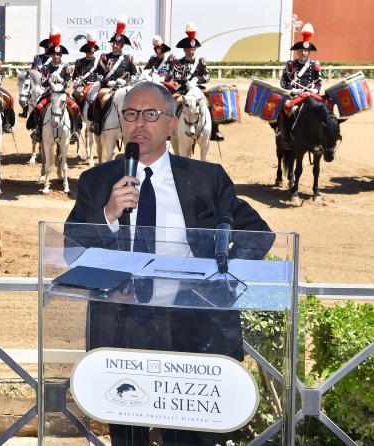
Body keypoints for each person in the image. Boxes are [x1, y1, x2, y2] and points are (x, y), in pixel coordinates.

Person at [66, 81, 272, 446]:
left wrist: (218, 285)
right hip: (121, 329)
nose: (138, 123)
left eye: (150, 115)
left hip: (193, 330)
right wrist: (109, 214)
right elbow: (71, 248)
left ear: (172, 124)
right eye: (130, 114)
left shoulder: (208, 179)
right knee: (127, 438)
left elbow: (259, 234)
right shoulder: (96, 181)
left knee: (191, 439)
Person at [159, 23, 223, 141]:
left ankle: (214, 131)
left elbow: (206, 76)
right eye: (189, 49)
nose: (191, 52)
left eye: (193, 49)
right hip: (183, 90)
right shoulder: (179, 62)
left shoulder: (200, 62)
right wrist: (185, 81)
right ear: (184, 49)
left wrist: (196, 80)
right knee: (172, 103)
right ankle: (169, 130)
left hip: (197, 89)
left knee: (210, 103)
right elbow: (176, 75)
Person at [26, 28, 80, 144]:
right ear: (51, 55)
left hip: (61, 94)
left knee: (75, 107)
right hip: (49, 94)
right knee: (38, 107)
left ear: (61, 55)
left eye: (59, 55)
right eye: (54, 54)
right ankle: (38, 130)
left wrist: (61, 81)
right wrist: (49, 80)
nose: (57, 57)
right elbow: (43, 83)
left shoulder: (66, 67)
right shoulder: (46, 67)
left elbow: (68, 83)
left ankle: (74, 131)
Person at [90, 15, 137, 135]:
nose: (115, 46)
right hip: (108, 88)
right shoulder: (105, 57)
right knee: (99, 95)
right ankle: (96, 123)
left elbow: (134, 74)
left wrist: (127, 83)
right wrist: (106, 82)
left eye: (118, 44)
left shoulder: (127, 59)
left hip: (123, 88)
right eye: (114, 43)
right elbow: (97, 74)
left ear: (122, 46)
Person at [71, 31, 100, 112]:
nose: (90, 54)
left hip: (95, 86)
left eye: (91, 53)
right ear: (85, 52)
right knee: (77, 95)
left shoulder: (98, 62)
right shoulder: (79, 62)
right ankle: (78, 115)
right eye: (88, 53)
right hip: (82, 87)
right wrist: (77, 82)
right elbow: (74, 77)